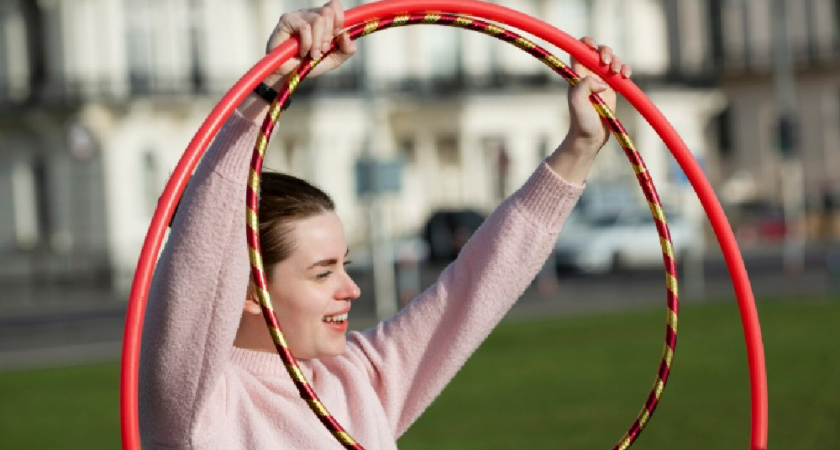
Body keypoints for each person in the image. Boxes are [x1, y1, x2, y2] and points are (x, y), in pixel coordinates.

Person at [138, 1, 632, 448]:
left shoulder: (358, 378)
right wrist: (264, 93)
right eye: (322, 271)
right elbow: (200, 255)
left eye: (343, 265)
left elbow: (472, 289)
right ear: (250, 288)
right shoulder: (194, 406)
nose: (350, 289)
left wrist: (580, 148)